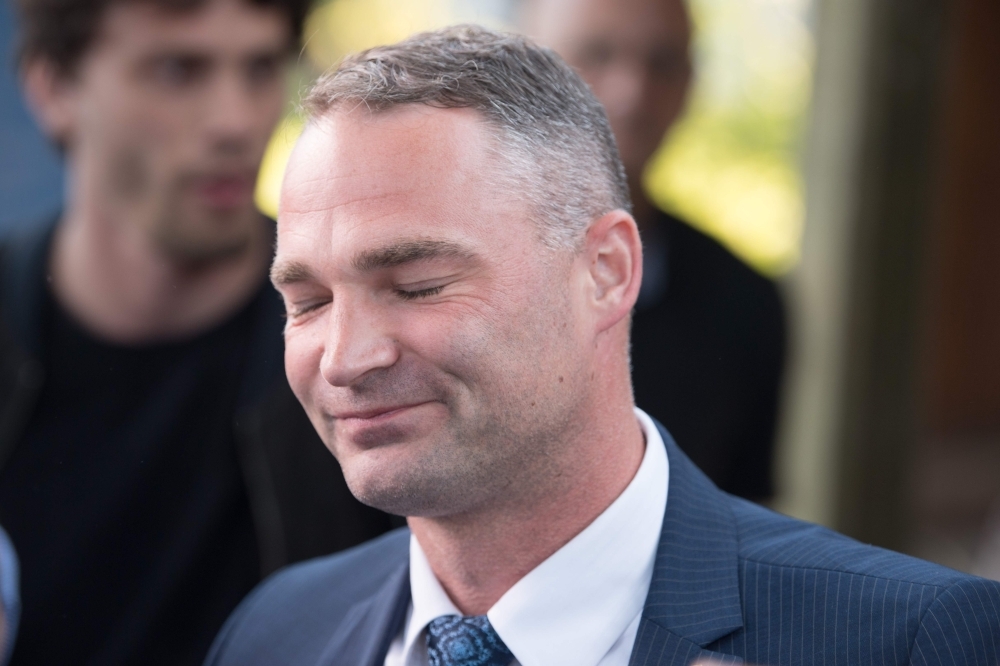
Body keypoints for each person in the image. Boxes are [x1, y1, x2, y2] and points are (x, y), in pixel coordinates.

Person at [206, 26, 1000, 666]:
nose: (345, 358)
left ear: (605, 272)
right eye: (306, 301)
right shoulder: (277, 631)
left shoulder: (908, 641)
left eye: (417, 285)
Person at [0, 0, 398, 661]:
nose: (235, 121)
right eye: (178, 70)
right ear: (53, 87)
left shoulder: (365, 347)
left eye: (261, 67)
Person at [522, 0, 786, 500]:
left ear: (690, 84)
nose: (633, 93)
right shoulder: (424, 275)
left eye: (662, 63)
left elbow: (742, 518)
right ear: (524, 70)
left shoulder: (745, 304)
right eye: (596, 54)